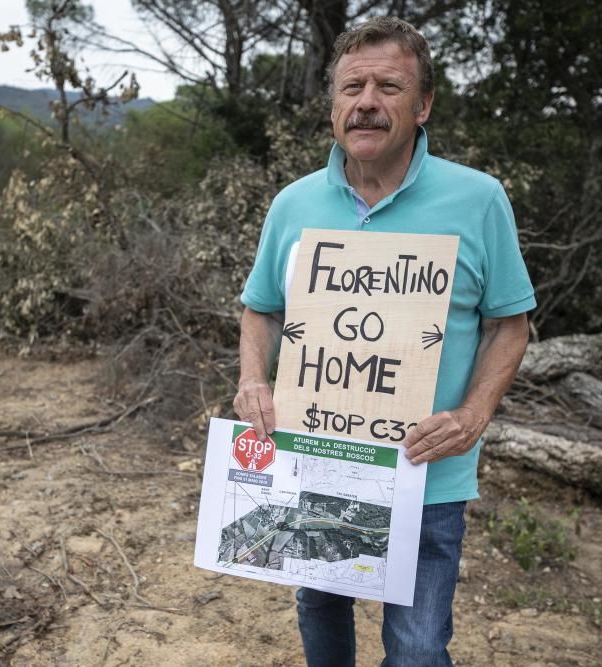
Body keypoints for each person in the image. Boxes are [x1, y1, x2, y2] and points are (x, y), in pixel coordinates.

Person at [232, 17, 535, 667]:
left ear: (423, 105)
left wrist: (475, 413)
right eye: (352, 87)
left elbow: (511, 323)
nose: (366, 101)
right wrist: (254, 378)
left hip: (428, 474)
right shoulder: (293, 205)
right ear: (334, 105)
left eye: (388, 86)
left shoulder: (479, 200)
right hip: (319, 458)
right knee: (319, 606)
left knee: (419, 647)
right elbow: (260, 309)